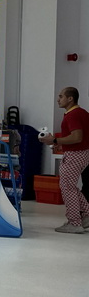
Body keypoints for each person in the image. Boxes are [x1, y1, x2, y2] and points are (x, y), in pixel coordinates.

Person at [40, 86, 89, 234]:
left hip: (75, 154)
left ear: (70, 98)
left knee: (67, 188)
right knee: (70, 186)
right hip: (83, 153)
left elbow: (77, 137)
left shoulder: (73, 115)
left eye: (61, 96)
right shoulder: (82, 113)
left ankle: (74, 222)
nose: (58, 99)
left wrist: (55, 140)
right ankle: (86, 214)